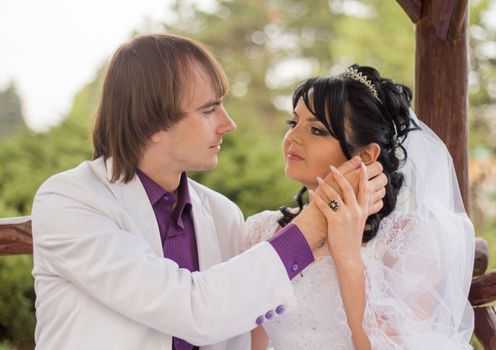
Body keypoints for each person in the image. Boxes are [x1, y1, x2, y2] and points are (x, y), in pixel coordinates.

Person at [30, 35, 387, 350]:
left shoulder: (223, 214)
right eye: (208, 109)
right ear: (152, 123)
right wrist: (315, 222)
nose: (227, 123)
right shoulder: (70, 201)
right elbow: (192, 311)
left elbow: (238, 335)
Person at [243, 65, 475, 349]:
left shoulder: (406, 239)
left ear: (366, 154)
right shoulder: (258, 231)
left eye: (316, 129)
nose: (293, 137)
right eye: (293, 123)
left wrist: (348, 255)